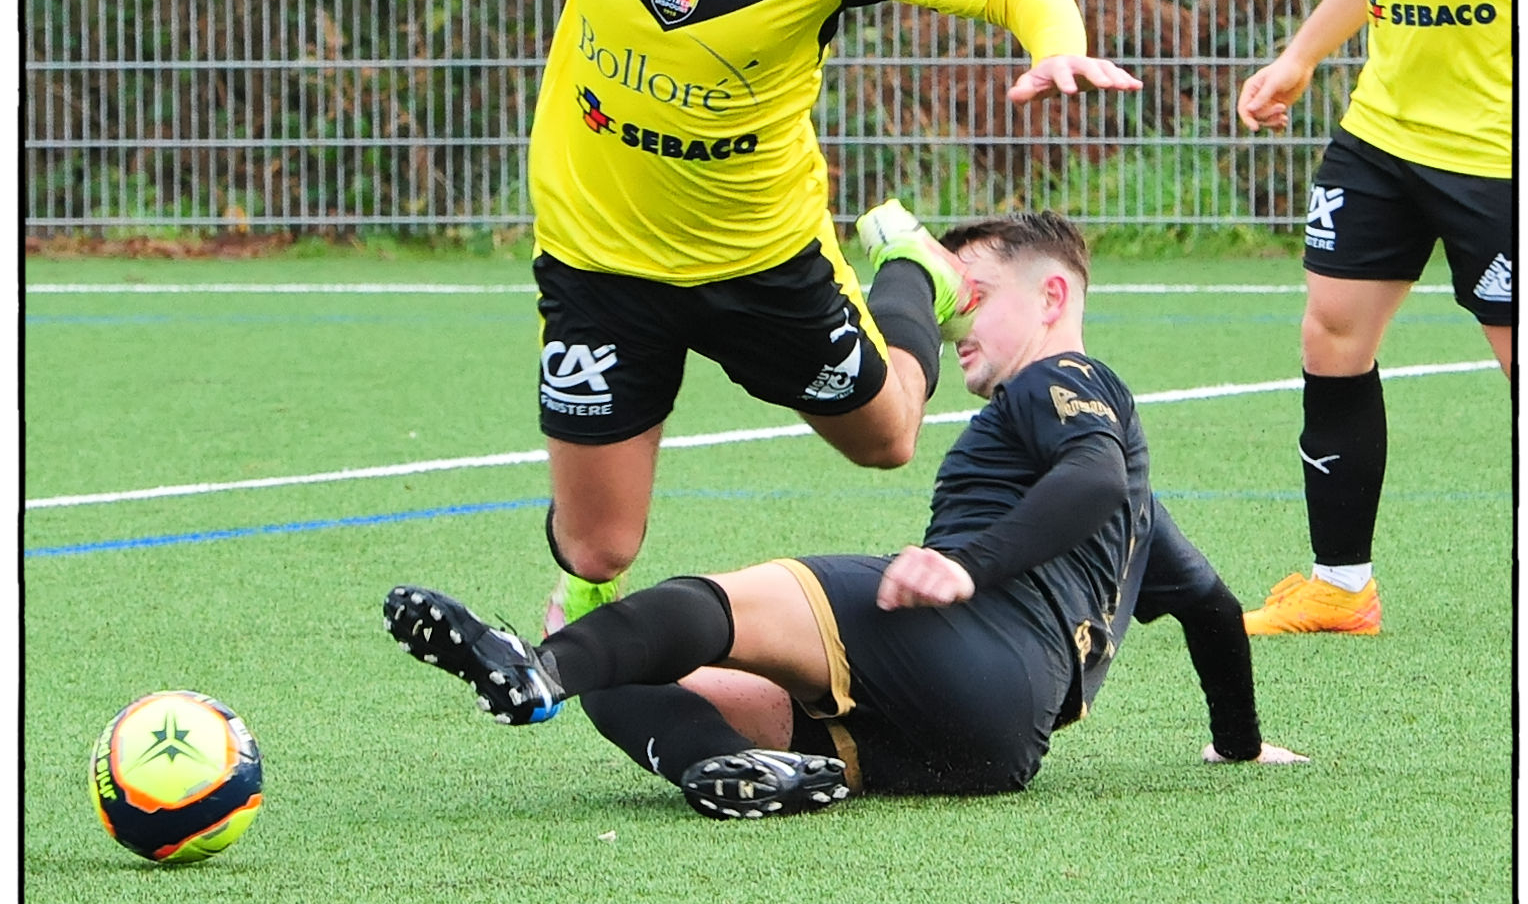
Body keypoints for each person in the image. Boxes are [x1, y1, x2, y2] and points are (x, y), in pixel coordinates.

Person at [186, 0, 1142, 632]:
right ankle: (587, 595)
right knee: (600, 545)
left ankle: (911, 272)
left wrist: (1055, 44)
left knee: (888, 438)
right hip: (600, 252)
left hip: (759, 254)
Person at [383, 212, 1304, 820]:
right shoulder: (1128, 515)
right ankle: (718, 765)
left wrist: (968, 564)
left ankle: (537, 668)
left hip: (970, 645)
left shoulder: (1063, 378)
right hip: (986, 749)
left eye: (974, 300)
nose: (956, 325)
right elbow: (1209, 606)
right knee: (628, 675)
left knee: (715, 603)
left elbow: (1093, 473)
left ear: (1053, 297)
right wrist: (1238, 745)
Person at [1236, 0, 1511, 636]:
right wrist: (1302, 55)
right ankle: (1340, 585)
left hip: (1501, 143)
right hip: (1384, 126)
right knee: (1330, 333)